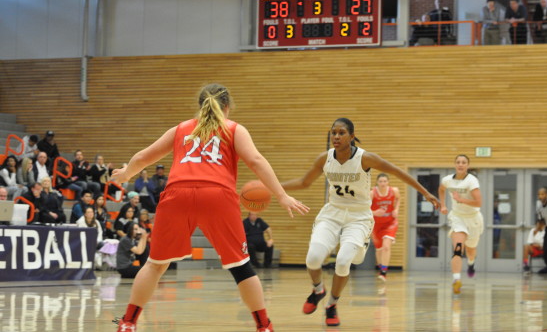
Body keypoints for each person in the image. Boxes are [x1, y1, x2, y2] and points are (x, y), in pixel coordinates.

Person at [110, 83, 308, 332]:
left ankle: (128, 323)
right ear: (227, 107)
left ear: (200, 105)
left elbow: (142, 158)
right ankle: (264, 326)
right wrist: (281, 195)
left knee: (155, 265)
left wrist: (126, 174)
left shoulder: (181, 128)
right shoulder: (234, 129)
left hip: (176, 195)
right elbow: (256, 160)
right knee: (240, 266)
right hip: (217, 195)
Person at [281, 118, 439, 327]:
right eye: (333, 133)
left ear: (352, 136)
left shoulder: (365, 158)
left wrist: (426, 193)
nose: (336, 137)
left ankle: (332, 305)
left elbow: (397, 172)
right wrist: (271, 186)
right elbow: (304, 182)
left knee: (344, 260)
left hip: (359, 217)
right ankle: (318, 290)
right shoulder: (324, 158)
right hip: (332, 213)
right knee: (313, 258)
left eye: (341, 133)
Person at [438, 155, 483, 295]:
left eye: (464, 162)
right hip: (457, 217)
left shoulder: (472, 181)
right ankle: (456, 280)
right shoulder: (447, 180)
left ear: (467, 165)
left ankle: (471, 264)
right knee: (458, 248)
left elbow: (478, 203)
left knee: (470, 251)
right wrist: (443, 205)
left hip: (473, 218)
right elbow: (441, 189)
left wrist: (461, 199)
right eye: (458, 162)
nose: (460, 164)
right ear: (455, 165)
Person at [371, 173, 400, 282]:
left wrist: (396, 209)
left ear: (388, 182)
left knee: (386, 246)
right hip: (376, 224)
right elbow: (364, 209)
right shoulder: (372, 193)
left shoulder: (394, 191)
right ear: (377, 182)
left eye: (385, 181)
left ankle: (384, 272)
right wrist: (374, 212)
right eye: (380, 181)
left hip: (390, 223)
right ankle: (381, 269)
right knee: (379, 250)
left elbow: (398, 199)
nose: (383, 183)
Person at [535, 187, 547, 274]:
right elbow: (541, 219)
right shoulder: (539, 206)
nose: (540, 196)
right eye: (539, 194)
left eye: (542, 194)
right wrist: (537, 228)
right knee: (546, 250)